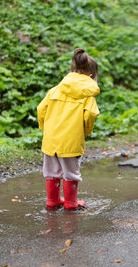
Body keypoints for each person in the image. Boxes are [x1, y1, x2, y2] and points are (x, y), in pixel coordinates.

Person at [37, 48, 100, 210]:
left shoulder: (55, 90)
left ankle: (53, 201)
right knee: (70, 172)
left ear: (73, 70)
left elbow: (40, 109)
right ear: (91, 75)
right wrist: (85, 131)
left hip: (51, 139)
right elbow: (89, 115)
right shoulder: (87, 95)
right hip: (71, 141)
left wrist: (45, 128)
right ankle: (71, 203)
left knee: (51, 171)